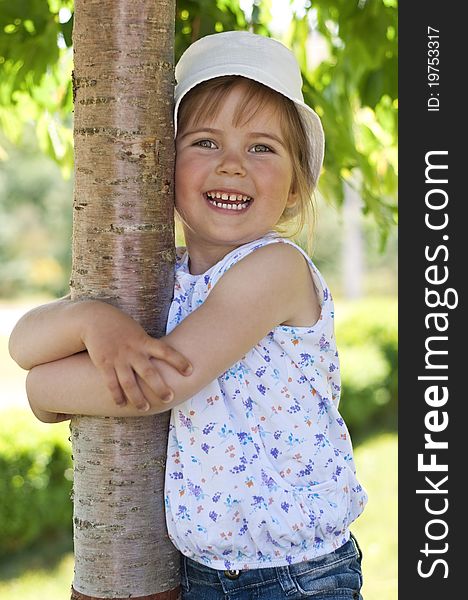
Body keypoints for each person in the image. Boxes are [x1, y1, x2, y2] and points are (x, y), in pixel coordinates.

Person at [9, 31, 368, 600]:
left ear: (296, 187)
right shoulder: (163, 279)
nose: (232, 166)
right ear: (165, 166)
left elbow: (164, 381)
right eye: (205, 142)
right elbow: (23, 342)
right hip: (203, 574)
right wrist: (93, 321)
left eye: (262, 148)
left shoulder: (275, 269)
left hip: (294, 577)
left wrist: (45, 388)